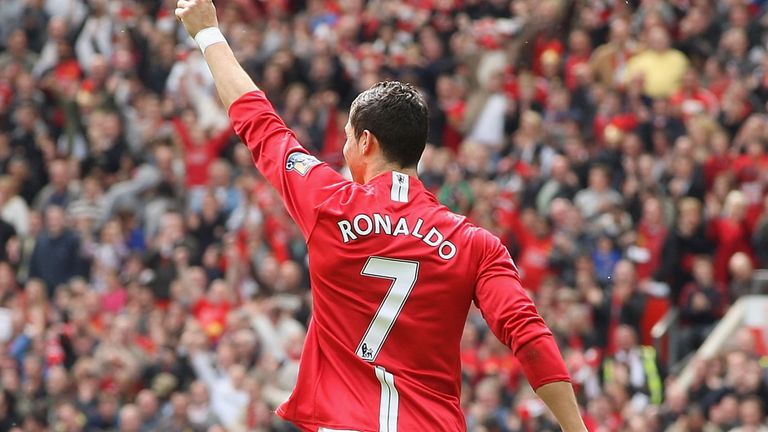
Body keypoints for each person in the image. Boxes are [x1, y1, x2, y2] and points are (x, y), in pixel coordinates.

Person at [174, 1, 586, 431]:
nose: (345, 149)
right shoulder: (474, 244)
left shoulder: (327, 202)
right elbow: (528, 335)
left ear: (366, 142)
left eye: (349, 139)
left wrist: (208, 35)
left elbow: (258, 122)